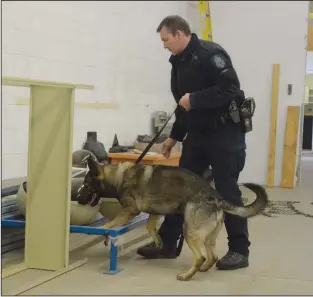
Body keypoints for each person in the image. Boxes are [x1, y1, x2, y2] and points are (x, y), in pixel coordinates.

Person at [137, 15, 250, 270]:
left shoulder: (211, 54)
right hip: (197, 135)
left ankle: (239, 250)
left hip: (224, 134)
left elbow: (231, 88)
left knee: (226, 191)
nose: (163, 45)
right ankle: (167, 243)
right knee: (180, 187)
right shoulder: (178, 61)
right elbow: (182, 105)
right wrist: (174, 137)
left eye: (166, 39)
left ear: (179, 34)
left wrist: (195, 99)